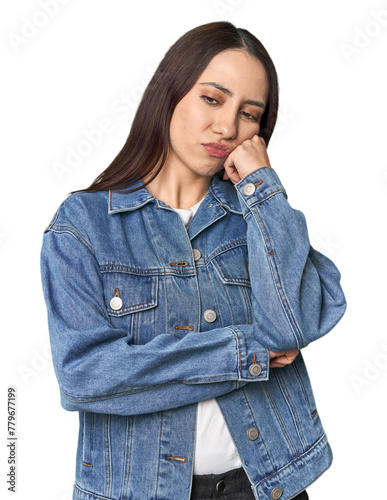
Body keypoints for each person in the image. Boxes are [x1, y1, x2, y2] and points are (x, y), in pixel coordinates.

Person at [40, 21, 346, 500]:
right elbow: (86, 377)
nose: (227, 127)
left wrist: (262, 186)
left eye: (250, 114)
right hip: (134, 491)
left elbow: (293, 324)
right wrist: (243, 353)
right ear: (170, 92)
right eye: (212, 98)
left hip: (267, 486)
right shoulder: (83, 225)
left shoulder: (257, 215)